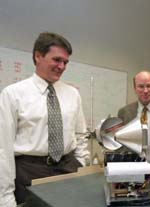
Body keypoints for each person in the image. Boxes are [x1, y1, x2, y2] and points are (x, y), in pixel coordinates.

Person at [0, 32, 90, 206]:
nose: (62, 66)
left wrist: (81, 164)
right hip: (30, 172)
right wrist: (5, 196)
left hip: (68, 168)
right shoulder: (13, 94)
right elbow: (3, 149)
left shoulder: (73, 94)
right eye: (57, 60)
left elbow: (80, 135)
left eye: (65, 62)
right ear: (38, 56)